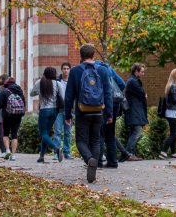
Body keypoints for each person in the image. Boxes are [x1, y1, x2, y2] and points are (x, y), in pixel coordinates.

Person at [64, 43, 114, 183]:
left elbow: (69, 95)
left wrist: (67, 115)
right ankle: (95, 165)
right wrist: (109, 114)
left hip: (82, 111)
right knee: (96, 139)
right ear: (94, 55)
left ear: (81, 56)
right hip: (99, 111)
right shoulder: (103, 70)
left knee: (81, 140)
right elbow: (108, 93)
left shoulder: (75, 71)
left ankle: (89, 159)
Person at [95, 60, 133, 166]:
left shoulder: (94, 69)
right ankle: (112, 162)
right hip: (115, 104)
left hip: (102, 103)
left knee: (100, 134)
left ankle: (98, 162)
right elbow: (122, 84)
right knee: (110, 133)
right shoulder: (109, 69)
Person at [29, 67, 65, 163]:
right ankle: (41, 157)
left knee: (43, 134)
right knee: (46, 134)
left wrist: (39, 91)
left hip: (44, 110)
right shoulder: (58, 84)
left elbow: (31, 94)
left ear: (45, 73)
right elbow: (63, 97)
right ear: (54, 74)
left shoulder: (39, 82)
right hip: (54, 111)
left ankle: (56, 148)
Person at [124, 63, 148, 160]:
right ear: (136, 71)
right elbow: (142, 93)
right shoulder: (133, 81)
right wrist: (144, 95)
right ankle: (129, 154)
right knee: (137, 132)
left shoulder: (134, 80)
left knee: (133, 132)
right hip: (134, 110)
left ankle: (130, 153)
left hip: (134, 110)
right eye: (141, 72)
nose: (143, 74)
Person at [0, 77, 26, 161]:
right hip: (18, 116)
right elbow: (24, 103)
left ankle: (7, 150)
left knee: (5, 134)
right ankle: (13, 155)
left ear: (7, 83)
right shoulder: (20, 91)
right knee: (14, 135)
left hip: (7, 116)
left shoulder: (5, 91)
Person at [54, 62, 73, 160]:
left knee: (68, 132)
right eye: (64, 68)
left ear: (70, 69)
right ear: (61, 70)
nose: (66, 70)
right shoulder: (57, 81)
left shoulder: (72, 81)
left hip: (69, 110)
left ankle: (67, 152)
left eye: (67, 69)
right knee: (57, 132)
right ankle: (56, 153)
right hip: (59, 110)